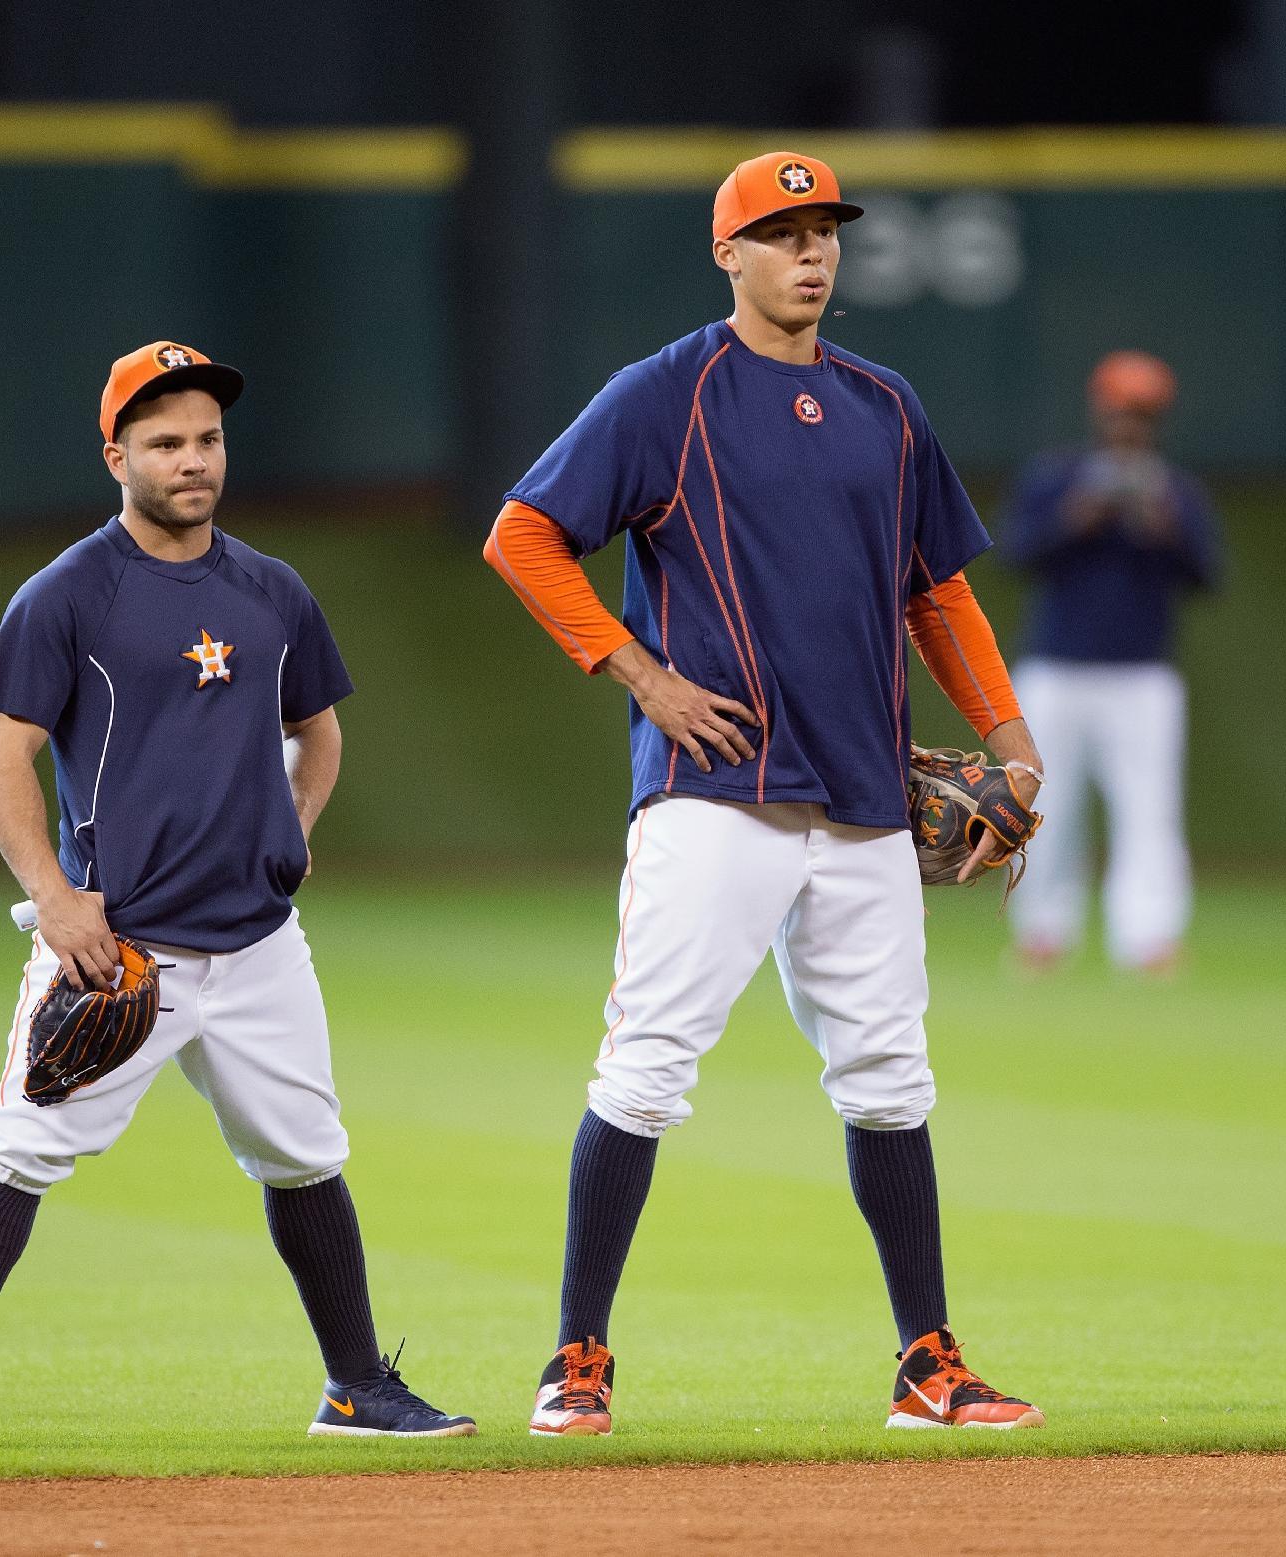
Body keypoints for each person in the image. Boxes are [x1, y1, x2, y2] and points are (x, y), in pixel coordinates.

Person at [485, 153, 1047, 1435]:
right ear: (727, 254)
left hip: (862, 807)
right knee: (644, 1072)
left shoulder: (884, 405)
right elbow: (523, 533)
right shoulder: (663, 395)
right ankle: (576, 1356)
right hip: (712, 798)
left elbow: (937, 591)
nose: (812, 253)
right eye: (782, 233)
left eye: (825, 232)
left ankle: (927, 1365)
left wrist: (1010, 740)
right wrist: (640, 675)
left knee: (890, 1081)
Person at [0, 341, 474, 1447]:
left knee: (306, 1157)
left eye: (207, 438)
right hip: (123, 951)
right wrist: (57, 900)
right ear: (117, 455)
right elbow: (0, 753)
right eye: (164, 442)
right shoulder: (69, 594)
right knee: (19, 1150)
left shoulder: (270, 589)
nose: (192, 460)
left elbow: (321, 730)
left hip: (257, 946)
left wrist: (291, 835)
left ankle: (356, 1389)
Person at [1001, 351, 1223, 972]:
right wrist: (1077, 518)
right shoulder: (1060, 476)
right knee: (1046, 806)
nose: (1131, 424)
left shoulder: (1173, 490)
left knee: (1149, 809)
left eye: (1142, 414)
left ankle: (1149, 938)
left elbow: (1208, 576)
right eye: (1123, 410)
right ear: (1102, 410)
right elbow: (1015, 554)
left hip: (1142, 675)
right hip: (1056, 668)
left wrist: (1165, 528)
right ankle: (1042, 931)